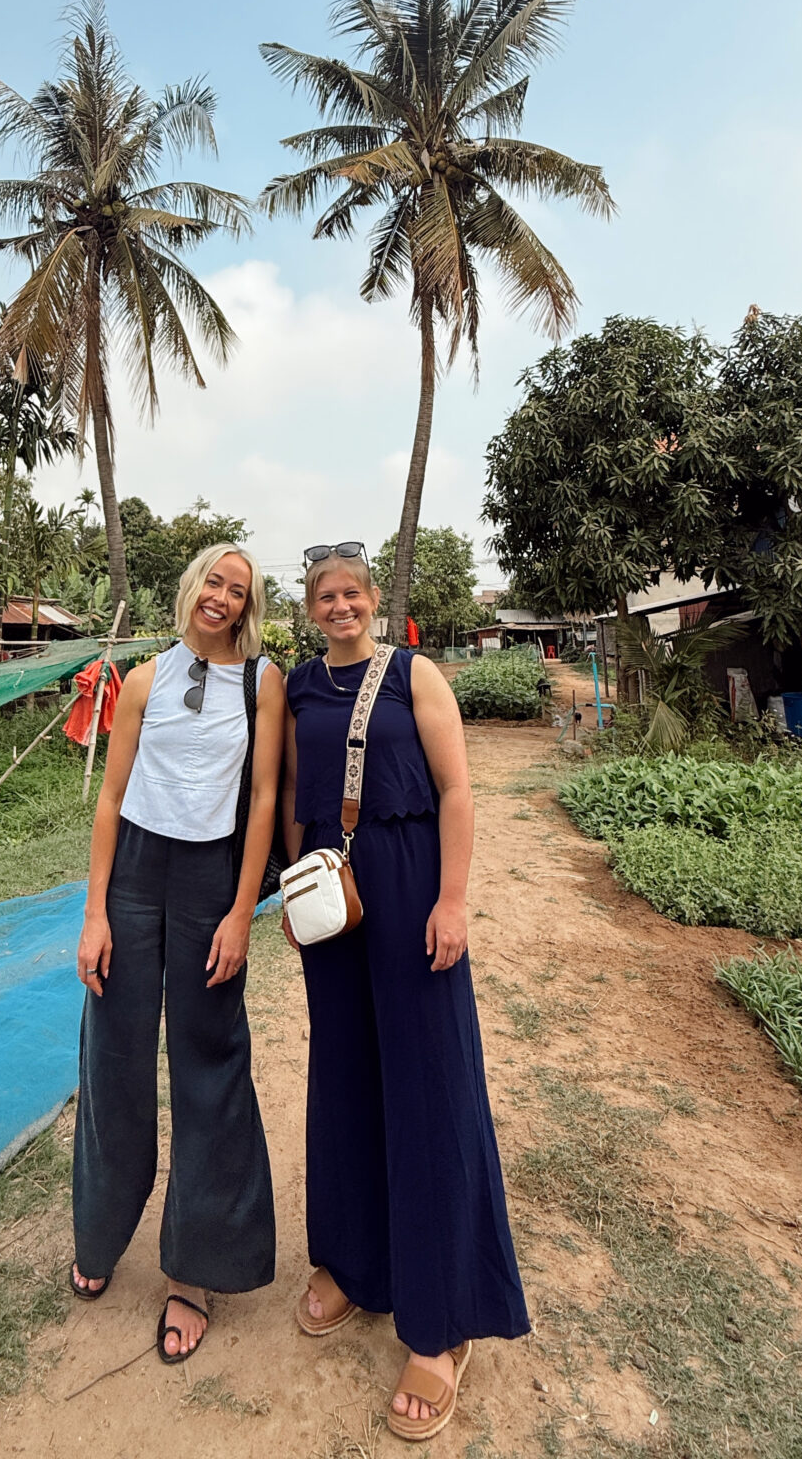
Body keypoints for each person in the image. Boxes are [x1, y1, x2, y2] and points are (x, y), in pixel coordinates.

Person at [282, 544, 529, 1442]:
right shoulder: (300, 688)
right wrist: (286, 888)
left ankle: (443, 1322)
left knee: (430, 1089)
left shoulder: (414, 675)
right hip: (332, 899)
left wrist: (453, 899)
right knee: (344, 1077)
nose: (340, 607)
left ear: (373, 600)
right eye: (325, 597)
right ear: (309, 609)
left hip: (413, 881)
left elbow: (459, 789)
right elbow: (285, 796)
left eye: (352, 593)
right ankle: (355, 1263)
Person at [70, 544, 284, 1363]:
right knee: (114, 1057)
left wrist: (240, 912)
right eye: (214, 583)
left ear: (248, 606)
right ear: (191, 590)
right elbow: (112, 797)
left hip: (208, 880)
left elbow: (264, 797)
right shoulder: (144, 681)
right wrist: (95, 913)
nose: (223, 598)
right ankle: (99, 1235)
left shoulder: (262, 685)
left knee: (207, 1060)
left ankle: (193, 1273)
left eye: (239, 591)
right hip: (133, 872)